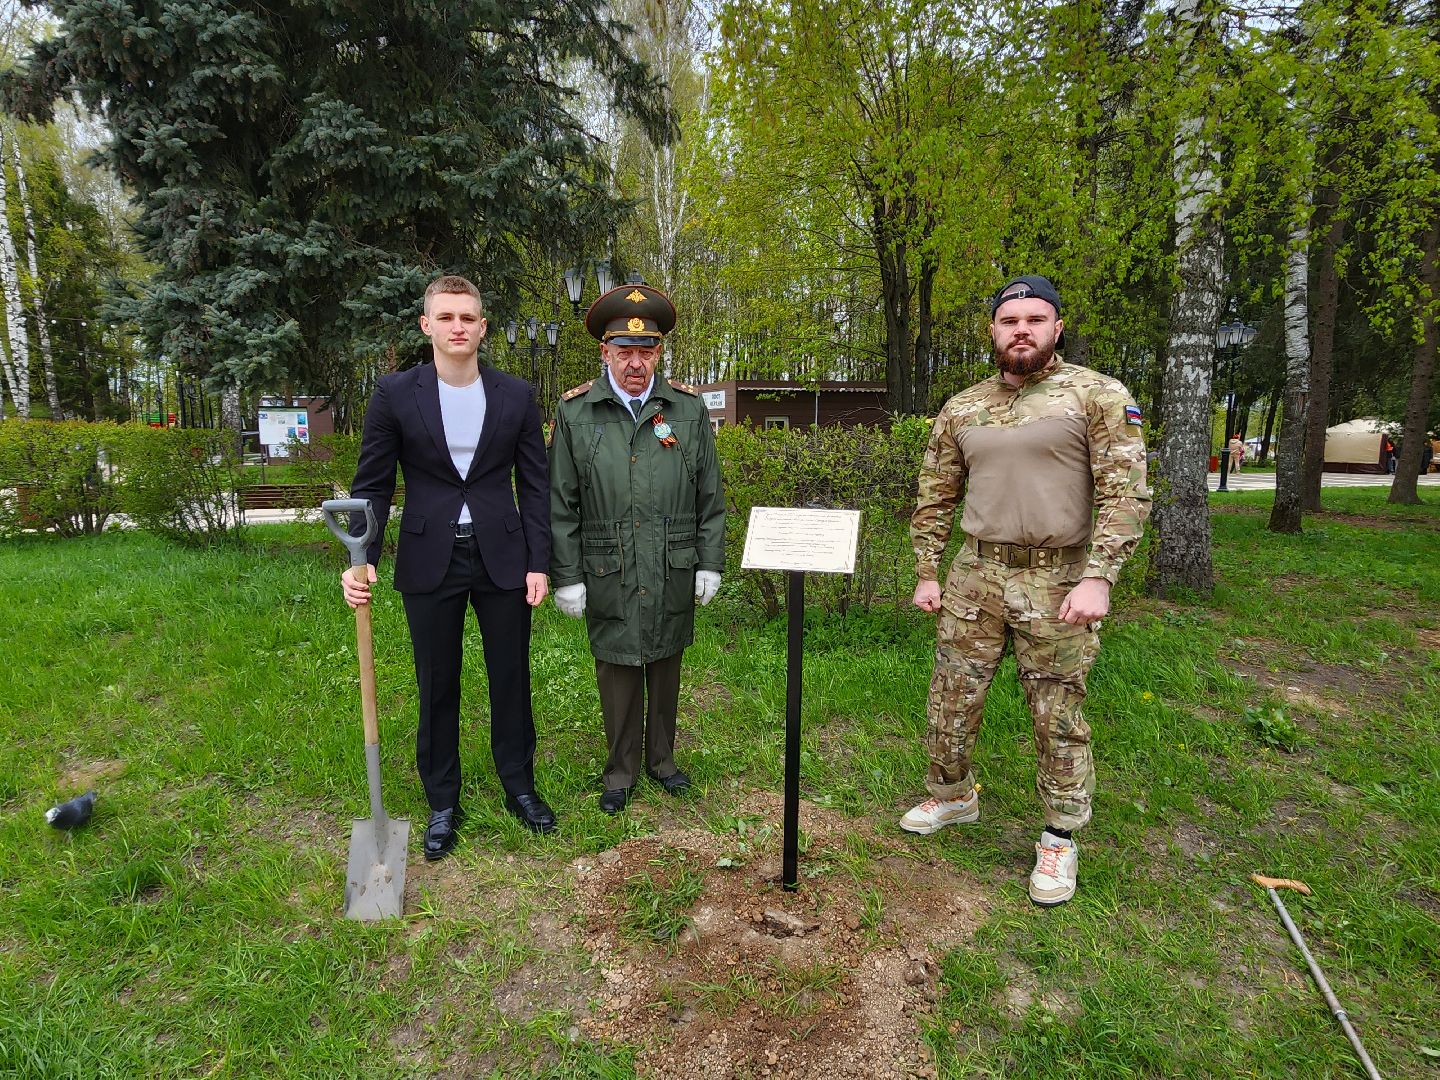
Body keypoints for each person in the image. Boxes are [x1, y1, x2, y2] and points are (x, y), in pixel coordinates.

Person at [905, 274, 1150, 906]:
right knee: (951, 698)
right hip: (975, 575)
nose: (1022, 330)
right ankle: (952, 797)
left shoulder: (1095, 395)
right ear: (993, 329)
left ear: (1056, 327)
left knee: (1056, 712)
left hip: (1059, 578)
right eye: (1010, 320)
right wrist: (927, 570)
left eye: (1035, 320)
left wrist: (1100, 576)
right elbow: (935, 494)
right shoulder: (962, 407)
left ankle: (1060, 837)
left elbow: (1126, 492)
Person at [340, 274, 556, 858]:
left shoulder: (516, 395)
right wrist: (359, 557)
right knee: (437, 682)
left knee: (510, 675)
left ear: (483, 327)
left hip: (503, 557)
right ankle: (443, 799)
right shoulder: (394, 394)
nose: (458, 327)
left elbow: (536, 487)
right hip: (427, 555)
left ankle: (519, 785)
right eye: (447, 317)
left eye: (469, 317)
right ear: (426, 325)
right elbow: (373, 486)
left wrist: (539, 561)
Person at [548, 283, 726, 814]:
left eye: (645, 351)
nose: (634, 362)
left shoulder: (687, 411)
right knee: (619, 667)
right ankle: (621, 770)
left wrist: (709, 561)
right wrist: (567, 573)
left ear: (658, 354)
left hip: (671, 561)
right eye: (623, 351)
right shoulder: (577, 413)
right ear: (604, 353)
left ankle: (663, 761)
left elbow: (710, 497)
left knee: (666, 658)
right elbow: (560, 501)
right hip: (609, 563)